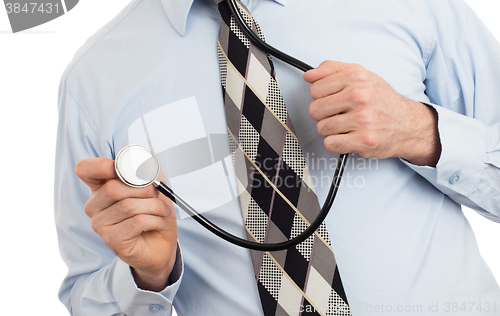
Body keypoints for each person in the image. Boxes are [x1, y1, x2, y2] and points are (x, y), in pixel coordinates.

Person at [55, 0, 500, 315]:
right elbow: (88, 296)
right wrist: (148, 277)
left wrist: (420, 130)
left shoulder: (410, 5)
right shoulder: (95, 81)